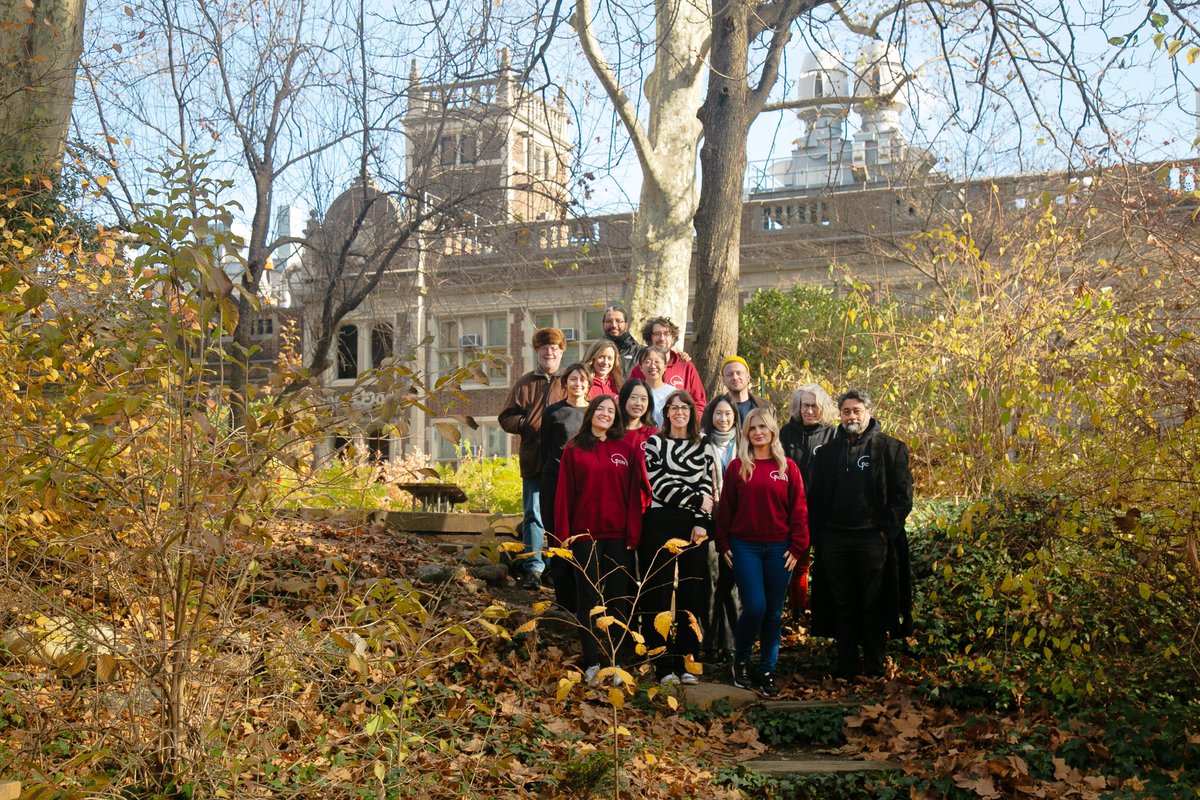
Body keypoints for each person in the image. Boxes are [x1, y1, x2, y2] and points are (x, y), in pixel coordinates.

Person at [807, 389, 913, 680]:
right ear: (840, 415)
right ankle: (847, 665)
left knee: (873, 603)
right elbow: (814, 498)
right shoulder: (827, 453)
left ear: (868, 411)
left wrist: (884, 533)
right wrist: (821, 537)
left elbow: (902, 498)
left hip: (872, 540)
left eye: (856, 411)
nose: (851, 416)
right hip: (835, 540)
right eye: (846, 412)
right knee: (842, 603)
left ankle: (874, 665)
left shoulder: (890, 449)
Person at [554, 395, 650, 686]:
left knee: (619, 598)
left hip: (619, 536)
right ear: (591, 413)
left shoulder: (626, 448)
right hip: (585, 536)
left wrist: (635, 532)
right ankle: (593, 661)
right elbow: (563, 495)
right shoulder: (574, 449)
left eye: (611, 410)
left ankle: (616, 662)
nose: (606, 414)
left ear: (616, 416)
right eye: (601, 409)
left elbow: (638, 494)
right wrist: (564, 537)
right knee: (590, 598)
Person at [715, 408, 809, 698]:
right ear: (747, 433)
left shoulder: (788, 467)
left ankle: (767, 670)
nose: (758, 432)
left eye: (763, 428)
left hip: (780, 549)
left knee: (773, 612)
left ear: (772, 432)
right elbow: (725, 511)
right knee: (755, 606)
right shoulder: (737, 467)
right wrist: (724, 545)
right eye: (753, 428)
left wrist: (797, 547)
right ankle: (740, 661)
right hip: (745, 546)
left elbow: (800, 511)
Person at [639, 390, 714, 685]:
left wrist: (701, 518)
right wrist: (696, 499)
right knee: (657, 591)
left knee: (691, 592)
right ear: (666, 412)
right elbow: (657, 484)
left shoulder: (704, 444)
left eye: (685, 407)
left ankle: (688, 661)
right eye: (674, 407)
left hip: (694, 527)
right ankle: (662, 663)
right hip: (659, 522)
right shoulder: (654, 443)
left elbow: (710, 486)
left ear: (692, 412)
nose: (680, 411)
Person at [499, 327, 568, 591]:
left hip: (563, 464)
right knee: (534, 515)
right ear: (537, 351)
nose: (549, 352)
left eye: (554, 348)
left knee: (560, 517)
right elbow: (505, 417)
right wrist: (525, 422)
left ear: (562, 351)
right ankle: (533, 568)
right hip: (534, 459)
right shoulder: (524, 383)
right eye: (544, 348)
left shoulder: (570, 381)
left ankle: (557, 567)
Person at [778, 384, 838, 616]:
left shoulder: (833, 434)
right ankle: (797, 612)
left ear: (822, 407)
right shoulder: (786, 433)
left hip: (824, 511)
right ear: (798, 407)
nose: (809, 410)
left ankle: (824, 614)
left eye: (814, 406)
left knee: (825, 565)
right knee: (797, 564)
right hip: (793, 511)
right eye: (805, 405)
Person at [539, 363, 592, 611]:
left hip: (585, 486)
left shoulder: (594, 412)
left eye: (582, 379)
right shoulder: (553, 412)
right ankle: (564, 603)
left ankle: (585, 601)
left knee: (583, 543)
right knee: (558, 541)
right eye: (573, 379)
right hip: (554, 482)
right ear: (565, 383)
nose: (578, 384)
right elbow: (545, 448)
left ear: (589, 384)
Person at [701, 395, 740, 663]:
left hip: (740, 522)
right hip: (710, 521)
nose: (723, 419)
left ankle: (735, 643)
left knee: (735, 584)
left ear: (735, 417)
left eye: (728, 414)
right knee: (711, 582)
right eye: (718, 413)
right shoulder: (701, 443)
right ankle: (710, 644)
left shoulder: (747, 443)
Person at [629, 317, 706, 415]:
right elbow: (629, 401)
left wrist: (690, 426)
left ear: (673, 338)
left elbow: (699, 403)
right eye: (657, 334)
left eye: (667, 334)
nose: (662, 338)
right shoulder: (639, 370)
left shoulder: (686, 367)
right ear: (650, 337)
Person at [718, 356, 770, 421]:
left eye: (739, 373)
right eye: (729, 374)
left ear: (748, 377)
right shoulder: (714, 409)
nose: (735, 377)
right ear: (723, 381)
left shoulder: (766, 407)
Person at [636, 346, 675, 428]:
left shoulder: (674, 394)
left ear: (665, 367)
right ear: (641, 367)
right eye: (647, 362)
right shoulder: (635, 392)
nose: (653, 366)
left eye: (657, 361)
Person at [602, 305, 643, 378]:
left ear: (626, 325)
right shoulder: (594, 351)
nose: (614, 325)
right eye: (609, 321)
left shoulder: (639, 352)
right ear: (603, 324)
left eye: (618, 321)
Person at [618, 378, 658, 452]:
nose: (638, 403)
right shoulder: (610, 431)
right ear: (624, 399)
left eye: (643, 399)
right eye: (633, 397)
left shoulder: (654, 435)